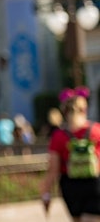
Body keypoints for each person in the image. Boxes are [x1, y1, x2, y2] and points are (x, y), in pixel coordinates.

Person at [40, 87, 100, 221]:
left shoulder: (59, 136)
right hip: (94, 183)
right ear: (84, 109)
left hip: (70, 185)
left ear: (64, 111)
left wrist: (46, 193)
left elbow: (53, 170)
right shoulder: (96, 130)